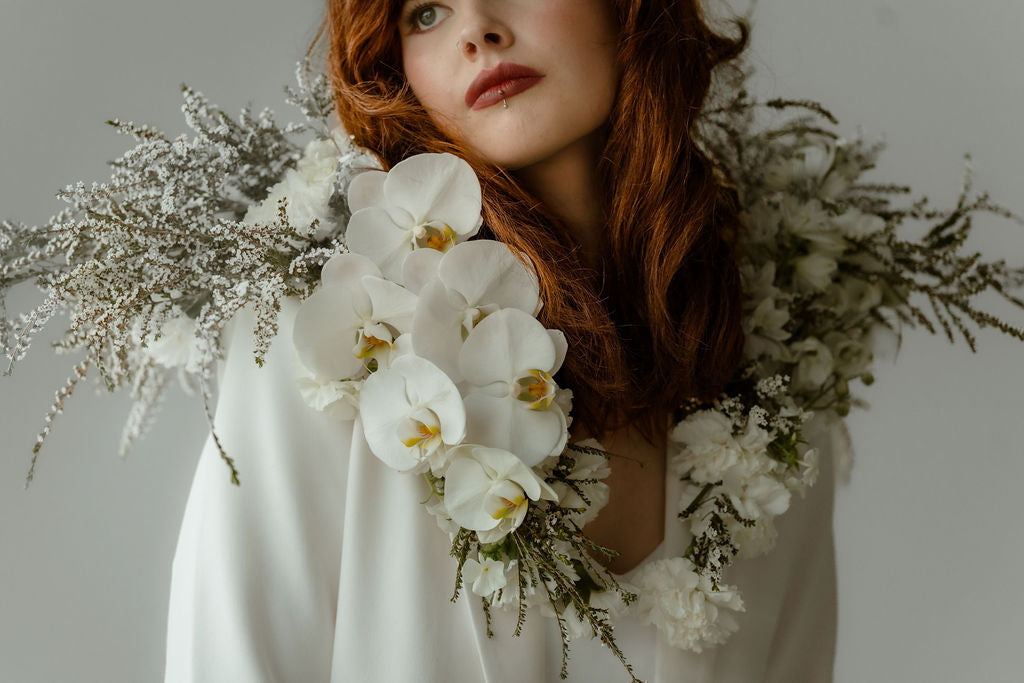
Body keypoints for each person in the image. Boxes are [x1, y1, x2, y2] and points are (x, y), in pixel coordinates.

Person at [165, 1, 839, 680]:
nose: (477, 30)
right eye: (425, 12)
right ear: (394, 67)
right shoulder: (330, 340)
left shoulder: (767, 347)